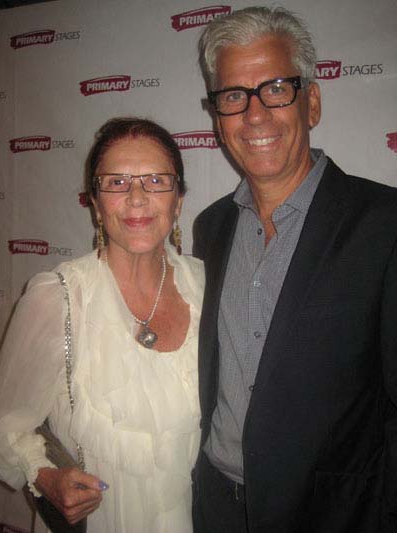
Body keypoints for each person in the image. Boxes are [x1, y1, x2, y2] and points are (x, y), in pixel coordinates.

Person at [192, 6, 397, 533]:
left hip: (334, 517)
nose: (254, 115)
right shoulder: (210, 228)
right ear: (217, 115)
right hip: (216, 508)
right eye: (234, 96)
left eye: (276, 88)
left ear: (313, 101)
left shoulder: (384, 225)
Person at [0, 117, 204, 532]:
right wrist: (44, 475)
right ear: (95, 202)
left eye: (156, 181)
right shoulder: (57, 296)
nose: (137, 198)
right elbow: (5, 422)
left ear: (178, 200)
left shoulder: (205, 284)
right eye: (117, 182)